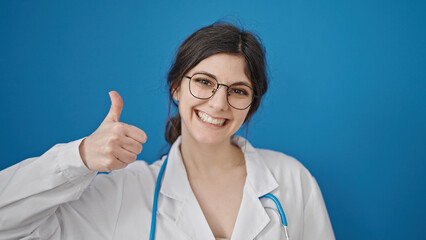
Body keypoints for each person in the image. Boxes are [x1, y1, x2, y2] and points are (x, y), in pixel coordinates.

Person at [0, 23, 335, 240]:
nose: (219, 104)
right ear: (176, 87)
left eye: (238, 90)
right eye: (204, 82)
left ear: (252, 103)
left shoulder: (291, 179)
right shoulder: (126, 191)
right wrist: (80, 157)